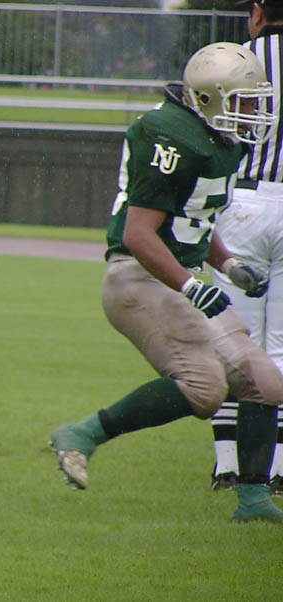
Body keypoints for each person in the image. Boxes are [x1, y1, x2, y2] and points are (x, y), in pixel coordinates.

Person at [49, 41, 283, 522]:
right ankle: (83, 433)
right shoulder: (170, 135)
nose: (250, 113)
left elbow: (194, 218)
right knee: (204, 388)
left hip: (178, 276)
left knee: (264, 381)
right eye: (242, 102)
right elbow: (139, 234)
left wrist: (228, 264)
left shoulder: (217, 138)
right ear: (208, 98)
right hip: (137, 276)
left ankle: (253, 500)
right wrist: (192, 285)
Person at [208, 0, 283, 494]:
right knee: (281, 347)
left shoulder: (237, 58)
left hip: (245, 201)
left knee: (232, 340)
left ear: (258, 12)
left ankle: (228, 464)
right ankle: (278, 469)